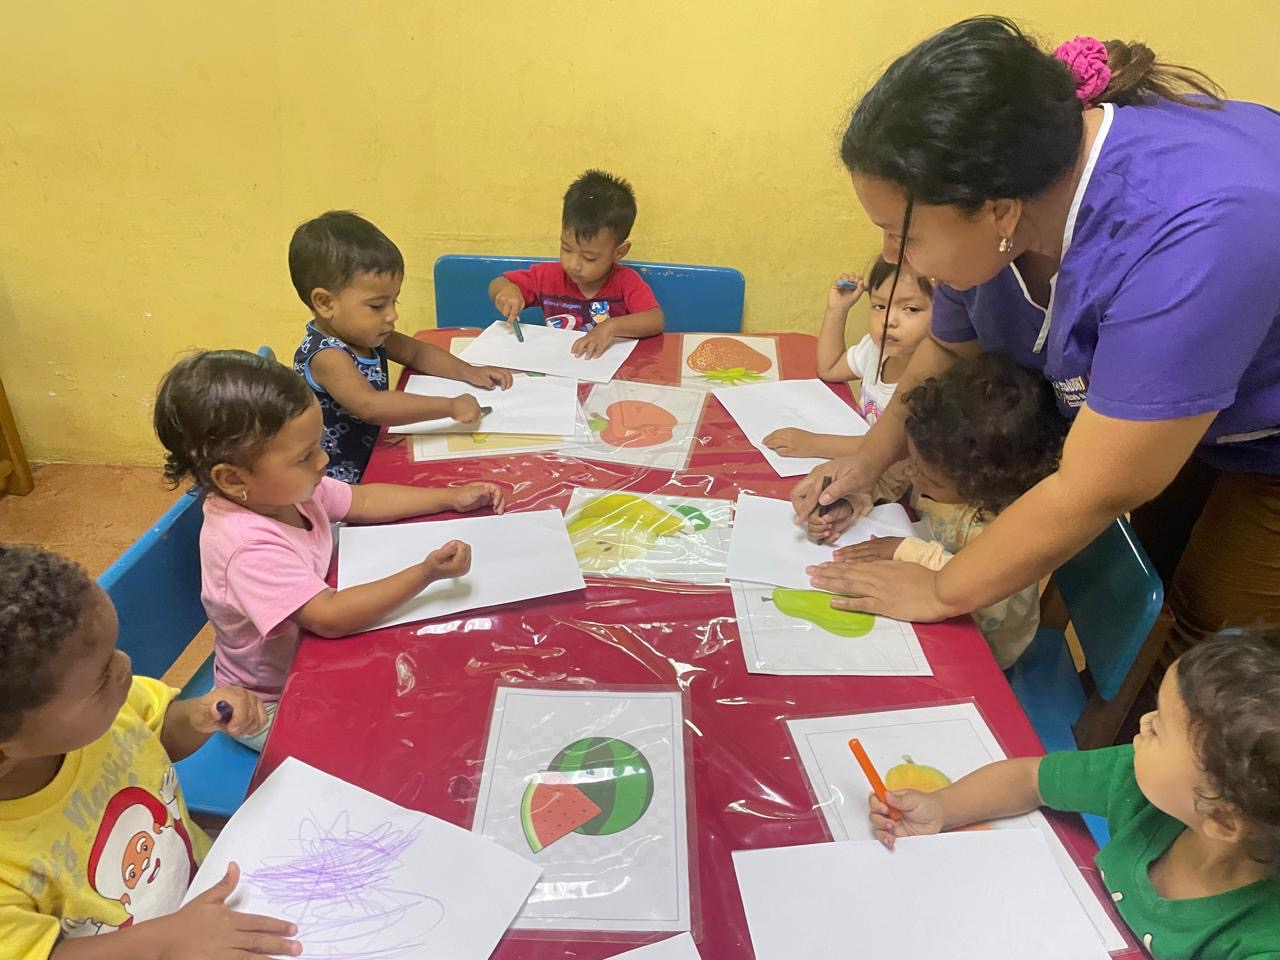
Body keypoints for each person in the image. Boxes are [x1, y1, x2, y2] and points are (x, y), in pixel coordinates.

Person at [793, 18, 1280, 670]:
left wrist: (940, 589)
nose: (891, 256)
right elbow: (950, 347)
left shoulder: (1196, 232)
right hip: (1210, 399)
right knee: (1156, 583)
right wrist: (869, 460)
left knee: (1215, 639)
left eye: (903, 235)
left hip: (1267, 433)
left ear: (999, 209)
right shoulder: (1011, 198)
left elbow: (1097, 486)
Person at [154, 350, 505, 750]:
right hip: (273, 701)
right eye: (305, 456)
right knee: (396, 738)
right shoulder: (246, 547)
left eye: (318, 445)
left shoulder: (286, 489)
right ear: (233, 480)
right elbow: (330, 617)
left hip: (318, 654)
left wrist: (449, 498)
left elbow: (361, 500)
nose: (324, 460)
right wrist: (426, 574)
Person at [868, 630, 1280, 958]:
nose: (1143, 722)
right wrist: (941, 807)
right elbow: (1029, 779)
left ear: (1223, 820)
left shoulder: (1260, 940)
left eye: (1158, 730)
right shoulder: (1135, 781)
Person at [0, 544, 301, 958]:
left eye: (114, 651)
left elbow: (157, 732)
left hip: (207, 887)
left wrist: (199, 716)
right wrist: (168, 940)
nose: (125, 665)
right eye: (102, 678)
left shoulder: (113, 708)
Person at [823, 354, 1067, 668]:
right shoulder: (939, 462)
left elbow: (983, 598)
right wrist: (857, 499)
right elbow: (898, 476)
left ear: (980, 489)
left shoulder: (1000, 526)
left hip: (985, 643)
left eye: (930, 480)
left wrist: (905, 549)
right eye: (914, 462)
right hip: (933, 595)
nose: (915, 477)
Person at [290, 210, 514, 483]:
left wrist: (469, 372)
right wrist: (450, 406)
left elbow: (418, 352)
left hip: (377, 454)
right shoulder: (327, 356)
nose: (392, 315)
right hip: (340, 480)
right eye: (377, 306)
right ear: (325, 303)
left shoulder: (366, 335)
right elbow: (370, 405)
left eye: (394, 301)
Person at [764, 255, 933, 460]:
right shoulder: (876, 350)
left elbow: (895, 448)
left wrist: (813, 444)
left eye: (911, 309)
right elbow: (830, 368)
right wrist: (837, 309)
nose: (888, 320)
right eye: (880, 306)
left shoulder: (934, 382)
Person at [488, 169, 664, 360]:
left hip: (607, 369)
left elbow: (655, 320)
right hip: (559, 366)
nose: (573, 265)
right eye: (566, 249)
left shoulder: (625, 281)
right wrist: (506, 291)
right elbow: (498, 283)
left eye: (589, 258)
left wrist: (610, 327)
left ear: (619, 252)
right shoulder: (547, 276)